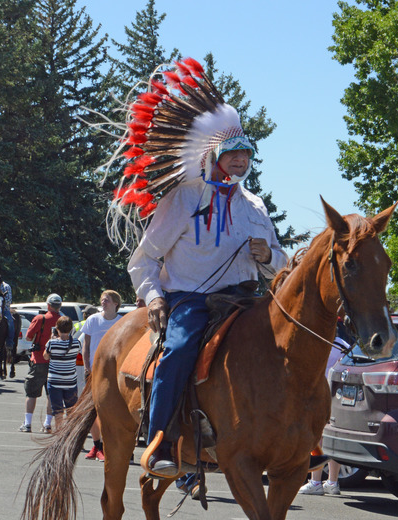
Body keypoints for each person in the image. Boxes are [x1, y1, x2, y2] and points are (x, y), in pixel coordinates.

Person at [124, 121, 287, 478]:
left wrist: (268, 258)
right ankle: (160, 443)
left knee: (290, 350)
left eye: (245, 155)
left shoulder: (256, 206)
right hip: (191, 298)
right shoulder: (184, 197)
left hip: (245, 299)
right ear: (213, 156)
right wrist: (153, 298)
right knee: (180, 349)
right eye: (233, 154)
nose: (240, 161)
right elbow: (143, 260)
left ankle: (294, 443)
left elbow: (281, 267)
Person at [300, 321, 353, 496]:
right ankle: (332, 481)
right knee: (333, 439)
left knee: (317, 438)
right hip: (339, 396)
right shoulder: (345, 346)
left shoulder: (319, 343)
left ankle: (315, 481)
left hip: (319, 396)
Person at [81, 290, 123, 461]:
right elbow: (86, 345)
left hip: (114, 374)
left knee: (110, 412)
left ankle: (109, 446)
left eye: (107, 300)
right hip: (93, 372)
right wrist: (86, 367)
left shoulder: (121, 322)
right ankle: (97, 445)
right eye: (102, 300)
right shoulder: (92, 320)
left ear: (115, 304)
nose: (103, 302)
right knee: (91, 411)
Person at [18, 294, 62, 433]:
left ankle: (27, 424)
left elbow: (29, 336)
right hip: (56, 362)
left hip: (38, 360)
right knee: (51, 395)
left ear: (48, 305)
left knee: (31, 393)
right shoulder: (63, 320)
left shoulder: (40, 319)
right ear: (59, 305)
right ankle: (47, 425)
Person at [45, 316, 81, 436]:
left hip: (55, 381)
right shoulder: (76, 343)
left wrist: (52, 339)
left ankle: (59, 434)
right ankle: (69, 433)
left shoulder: (52, 343)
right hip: (70, 381)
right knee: (71, 410)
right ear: (71, 329)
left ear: (57, 328)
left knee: (58, 411)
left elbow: (46, 356)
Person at [0, 273, 15, 347]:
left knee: (10, 322)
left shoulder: (6, 287)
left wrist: (1, 306)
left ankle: (10, 341)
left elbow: (8, 299)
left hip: (5, 309)